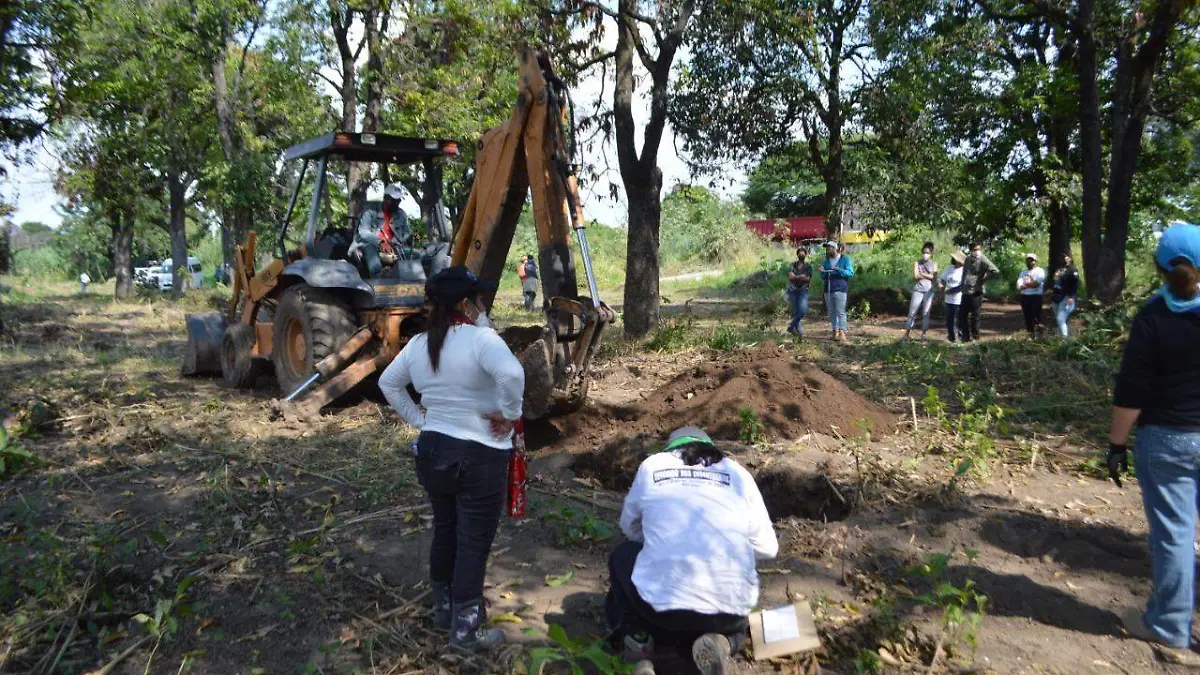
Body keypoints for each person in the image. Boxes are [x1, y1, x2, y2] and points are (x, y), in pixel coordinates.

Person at [377, 266, 525, 651]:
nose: (483, 304)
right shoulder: (482, 340)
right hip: (479, 456)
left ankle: (444, 609)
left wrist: (420, 420)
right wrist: (510, 414)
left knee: (446, 530)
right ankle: (465, 631)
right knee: (473, 543)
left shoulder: (419, 344)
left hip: (433, 450)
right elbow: (512, 375)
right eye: (479, 299)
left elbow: (388, 383)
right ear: (465, 303)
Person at [607, 426, 778, 675]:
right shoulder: (739, 473)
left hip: (660, 612)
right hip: (725, 615)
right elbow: (768, 548)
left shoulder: (652, 466)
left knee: (622, 555)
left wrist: (658, 541)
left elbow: (628, 527)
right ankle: (723, 643)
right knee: (740, 621)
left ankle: (638, 644)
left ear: (671, 448)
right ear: (710, 447)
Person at [1107, 224, 1200, 667]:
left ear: (1160, 270)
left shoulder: (1152, 317)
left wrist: (1116, 445)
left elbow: (1132, 390)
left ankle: (1169, 627)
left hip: (1166, 440)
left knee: (1175, 535)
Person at [350, 183, 411, 279]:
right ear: (385, 198)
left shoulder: (401, 214)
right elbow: (363, 232)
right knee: (371, 250)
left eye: (398, 201)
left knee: (414, 254)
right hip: (369, 243)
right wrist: (381, 242)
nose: (396, 203)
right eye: (393, 200)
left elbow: (407, 233)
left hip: (393, 246)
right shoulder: (370, 210)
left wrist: (395, 242)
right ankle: (378, 277)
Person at [959, 242, 1000, 342]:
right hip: (966, 291)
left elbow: (995, 270)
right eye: (975, 250)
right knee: (962, 315)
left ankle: (975, 337)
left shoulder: (982, 259)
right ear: (971, 250)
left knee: (975, 316)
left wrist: (983, 279)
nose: (977, 251)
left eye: (978, 249)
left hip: (976, 291)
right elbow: (964, 273)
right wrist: (962, 285)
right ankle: (965, 337)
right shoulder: (968, 259)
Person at [819, 241, 854, 341]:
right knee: (831, 311)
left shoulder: (845, 260)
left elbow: (850, 273)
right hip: (828, 289)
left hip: (840, 289)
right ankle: (835, 331)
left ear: (835, 248)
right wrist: (822, 271)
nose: (828, 250)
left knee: (840, 311)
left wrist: (840, 270)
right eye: (827, 248)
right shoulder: (826, 262)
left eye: (829, 248)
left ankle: (842, 331)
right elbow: (823, 276)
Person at [903, 242, 938, 341]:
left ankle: (924, 334)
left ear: (931, 254)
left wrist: (922, 274)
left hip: (929, 291)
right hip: (918, 289)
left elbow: (934, 277)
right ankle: (906, 333)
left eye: (927, 253)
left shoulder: (934, 264)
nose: (925, 254)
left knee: (926, 313)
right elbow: (915, 275)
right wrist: (928, 275)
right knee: (912, 312)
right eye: (924, 252)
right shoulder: (917, 262)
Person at [1015, 253, 1046, 338]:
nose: (1030, 262)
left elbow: (1037, 283)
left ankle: (1039, 335)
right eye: (1028, 260)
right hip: (1025, 296)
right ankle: (1030, 335)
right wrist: (1026, 285)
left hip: (1036, 296)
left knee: (1036, 316)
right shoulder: (1023, 272)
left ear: (1035, 261)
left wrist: (1025, 285)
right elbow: (1018, 285)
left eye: (1032, 260)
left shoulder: (1040, 271)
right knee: (1027, 317)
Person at [1050, 253, 1080, 338]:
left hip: (1067, 297)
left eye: (1067, 257)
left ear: (1070, 259)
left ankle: (1065, 339)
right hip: (1056, 297)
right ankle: (1060, 338)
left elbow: (1075, 284)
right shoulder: (1058, 269)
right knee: (1058, 320)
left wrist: (1071, 296)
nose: (1065, 259)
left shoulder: (1073, 270)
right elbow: (1054, 281)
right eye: (1063, 257)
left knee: (1060, 318)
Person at [939, 251, 966, 343]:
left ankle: (959, 337)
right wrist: (940, 284)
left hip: (958, 299)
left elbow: (962, 286)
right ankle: (951, 337)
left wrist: (950, 291)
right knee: (949, 319)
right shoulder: (949, 268)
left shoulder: (964, 270)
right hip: (948, 299)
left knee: (957, 319)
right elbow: (942, 279)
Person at [786, 247, 813, 337]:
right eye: (800, 253)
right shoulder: (792, 265)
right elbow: (790, 277)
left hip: (803, 290)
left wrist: (796, 276)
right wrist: (801, 276)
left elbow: (807, 278)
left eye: (803, 253)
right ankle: (799, 335)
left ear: (806, 255)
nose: (801, 255)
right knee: (795, 313)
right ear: (797, 255)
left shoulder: (808, 266)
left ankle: (791, 326)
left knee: (802, 311)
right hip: (793, 290)